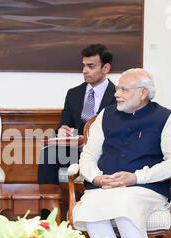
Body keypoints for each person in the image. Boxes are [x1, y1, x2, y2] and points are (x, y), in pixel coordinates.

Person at [72, 68, 171, 238]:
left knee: (125, 203)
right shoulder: (106, 115)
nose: (117, 94)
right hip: (106, 185)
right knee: (87, 208)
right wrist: (95, 177)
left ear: (143, 93)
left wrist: (136, 177)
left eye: (124, 89)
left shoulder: (165, 118)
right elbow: (88, 155)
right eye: (118, 89)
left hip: (145, 188)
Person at [37, 44, 116, 185]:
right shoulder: (73, 94)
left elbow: (119, 132)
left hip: (104, 152)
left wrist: (90, 143)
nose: (85, 70)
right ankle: (47, 206)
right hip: (75, 151)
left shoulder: (118, 95)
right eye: (84, 65)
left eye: (90, 66)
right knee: (48, 155)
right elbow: (64, 124)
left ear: (106, 68)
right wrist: (62, 131)